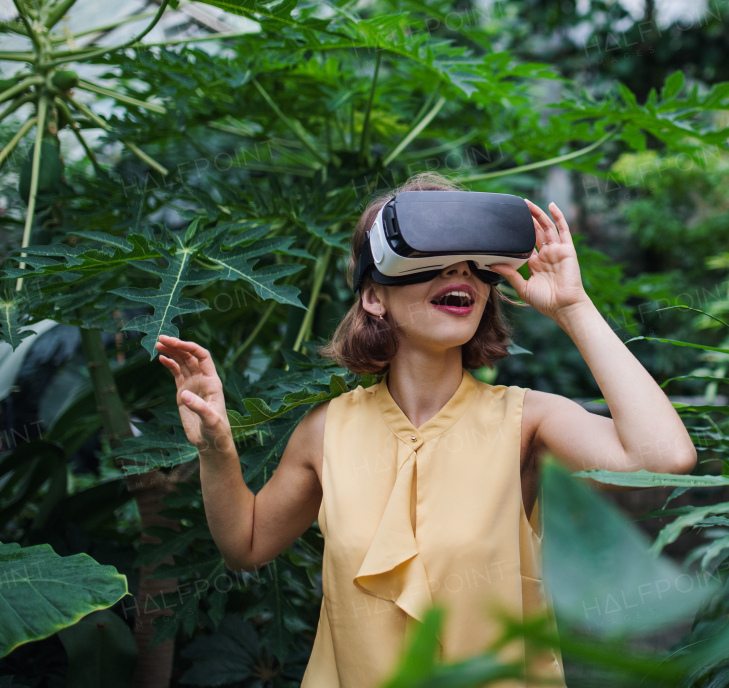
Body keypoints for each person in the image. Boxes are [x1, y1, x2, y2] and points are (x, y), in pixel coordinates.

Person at [154, 174, 697, 688]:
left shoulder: (528, 420)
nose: (458, 274)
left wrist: (573, 307)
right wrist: (215, 449)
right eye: (431, 259)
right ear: (374, 295)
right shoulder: (325, 431)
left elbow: (663, 458)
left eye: (472, 264)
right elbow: (246, 547)